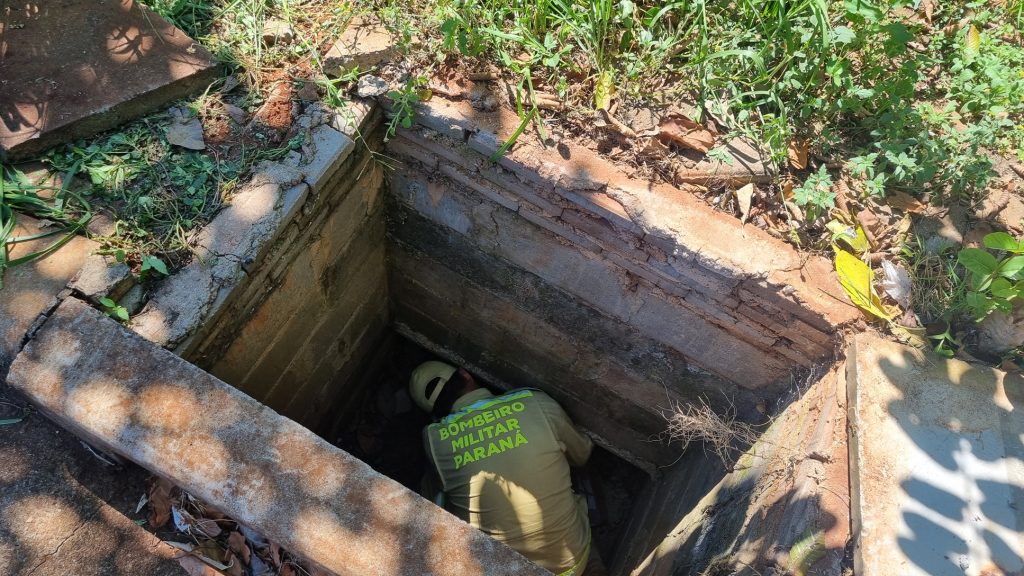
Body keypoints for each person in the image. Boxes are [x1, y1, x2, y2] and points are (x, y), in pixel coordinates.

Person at [410, 361, 596, 576]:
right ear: (465, 374)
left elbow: (437, 500)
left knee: (435, 490)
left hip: (500, 571)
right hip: (572, 564)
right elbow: (582, 454)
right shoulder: (534, 401)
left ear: (435, 413)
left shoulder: (435, 438)